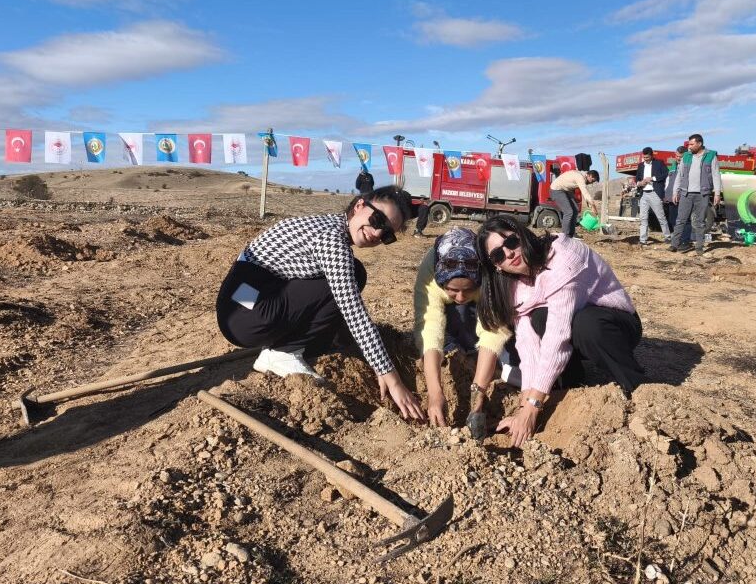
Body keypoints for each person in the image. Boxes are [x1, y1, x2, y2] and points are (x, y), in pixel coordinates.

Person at [215, 185, 425, 420]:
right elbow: (352, 310)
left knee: (353, 272)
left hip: (245, 298)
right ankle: (281, 353)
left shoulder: (331, 225)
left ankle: (306, 344)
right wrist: (391, 378)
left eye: (387, 233)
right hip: (242, 311)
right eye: (377, 219)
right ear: (359, 206)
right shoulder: (331, 239)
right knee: (348, 279)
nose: (377, 233)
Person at [476, 215, 645, 447]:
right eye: (498, 255)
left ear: (523, 235)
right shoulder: (513, 283)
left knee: (588, 326)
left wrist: (534, 405)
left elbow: (558, 335)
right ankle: (571, 387)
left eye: (511, 243)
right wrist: (524, 405)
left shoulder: (563, 257)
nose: (509, 254)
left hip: (616, 325)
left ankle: (637, 388)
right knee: (539, 319)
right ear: (496, 265)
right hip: (574, 325)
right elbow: (527, 344)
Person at [412, 227, 512, 428]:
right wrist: (435, 394)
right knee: (455, 314)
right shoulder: (430, 273)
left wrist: (478, 395)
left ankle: (482, 364)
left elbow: (493, 331)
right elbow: (430, 328)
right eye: (452, 290)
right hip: (450, 320)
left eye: (467, 290)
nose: (460, 297)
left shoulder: (489, 271)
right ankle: (459, 355)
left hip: (486, 310)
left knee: (507, 352)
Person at [669, 134, 722, 254]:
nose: (689, 147)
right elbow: (680, 175)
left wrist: (717, 193)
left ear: (699, 143)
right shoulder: (686, 156)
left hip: (702, 194)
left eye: (692, 144)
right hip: (686, 193)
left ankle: (699, 247)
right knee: (680, 220)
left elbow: (716, 175)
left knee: (700, 222)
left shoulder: (711, 155)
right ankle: (674, 244)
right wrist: (675, 191)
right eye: (689, 144)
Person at [635, 147, 671, 246]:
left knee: (661, 217)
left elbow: (666, 173)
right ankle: (643, 240)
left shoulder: (659, 163)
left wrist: (653, 178)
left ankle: (667, 237)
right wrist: (640, 183)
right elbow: (637, 178)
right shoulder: (640, 165)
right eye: (644, 157)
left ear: (651, 155)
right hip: (644, 194)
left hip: (655, 193)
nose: (645, 159)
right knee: (643, 218)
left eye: (647, 157)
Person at [549, 169, 600, 237]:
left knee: (575, 209)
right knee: (569, 212)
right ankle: (565, 236)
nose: (592, 183)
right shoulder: (580, 177)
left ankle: (571, 233)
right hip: (556, 190)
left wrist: (590, 205)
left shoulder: (582, 175)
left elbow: (584, 193)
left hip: (565, 190)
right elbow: (585, 192)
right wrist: (593, 207)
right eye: (592, 180)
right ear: (589, 175)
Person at [664, 146, 692, 246]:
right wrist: (666, 194)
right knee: (672, 219)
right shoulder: (673, 165)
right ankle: (677, 239)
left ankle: (685, 241)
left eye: (680, 156)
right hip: (671, 197)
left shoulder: (689, 165)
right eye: (676, 156)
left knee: (684, 220)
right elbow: (669, 181)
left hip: (683, 197)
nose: (678, 158)